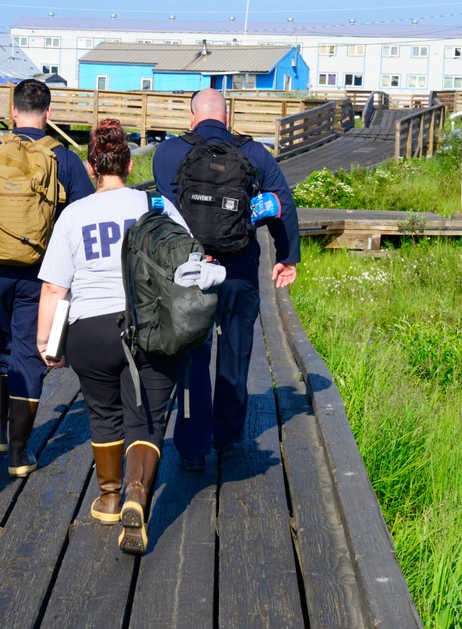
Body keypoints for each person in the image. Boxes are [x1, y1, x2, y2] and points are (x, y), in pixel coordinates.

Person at [37, 119, 201, 555]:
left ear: (92, 168)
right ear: (129, 163)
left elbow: (54, 287)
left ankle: (109, 497)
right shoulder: (156, 205)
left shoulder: (73, 214)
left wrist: (44, 343)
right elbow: (189, 261)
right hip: (148, 326)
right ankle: (136, 495)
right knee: (145, 418)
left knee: (103, 412)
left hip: (89, 331)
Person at [0, 79, 94, 478]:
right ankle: (18, 452)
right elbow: (83, 216)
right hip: (41, 274)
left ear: (12, 112)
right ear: (48, 114)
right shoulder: (64, 158)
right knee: (29, 352)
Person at [152, 88, 300, 471]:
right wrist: (287, 257)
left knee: (191, 358)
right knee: (235, 353)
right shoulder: (254, 154)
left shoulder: (168, 154)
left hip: (188, 272)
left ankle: (192, 448)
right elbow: (282, 204)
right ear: (228, 117)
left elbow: (168, 214)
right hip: (238, 271)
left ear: (191, 117)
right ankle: (229, 438)